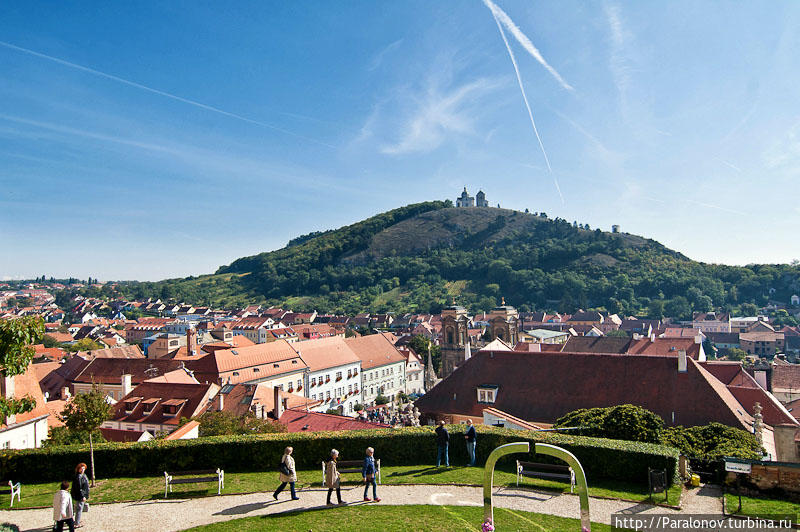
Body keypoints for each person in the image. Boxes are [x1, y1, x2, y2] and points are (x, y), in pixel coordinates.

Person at [71, 463, 89, 528]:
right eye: (81, 469)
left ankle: (77, 521)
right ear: (78, 469)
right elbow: (79, 488)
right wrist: (83, 496)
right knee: (79, 508)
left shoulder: (82, 475)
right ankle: (76, 523)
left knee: (79, 508)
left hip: (81, 494)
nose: (83, 470)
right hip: (80, 495)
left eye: (84, 468)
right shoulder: (79, 477)